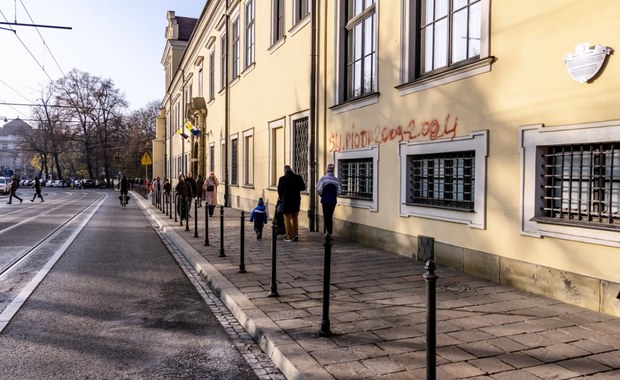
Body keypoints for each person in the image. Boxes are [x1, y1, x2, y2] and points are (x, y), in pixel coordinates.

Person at [277, 165, 306, 241]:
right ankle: (296, 234)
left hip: (286, 201)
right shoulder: (298, 177)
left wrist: (281, 197)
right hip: (296, 201)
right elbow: (303, 187)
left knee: (287, 219)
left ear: (285, 171)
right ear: (291, 170)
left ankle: (289, 235)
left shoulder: (282, 179)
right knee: (295, 217)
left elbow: (279, 191)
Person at [316, 163, 342, 240]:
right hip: (333, 200)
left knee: (326, 216)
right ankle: (329, 233)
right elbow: (339, 191)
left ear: (327, 170)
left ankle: (327, 233)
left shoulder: (323, 179)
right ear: (333, 171)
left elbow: (319, 189)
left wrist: (322, 195)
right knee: (330, 216)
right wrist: (334, 195)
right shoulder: (336, 180)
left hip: (325, 200)